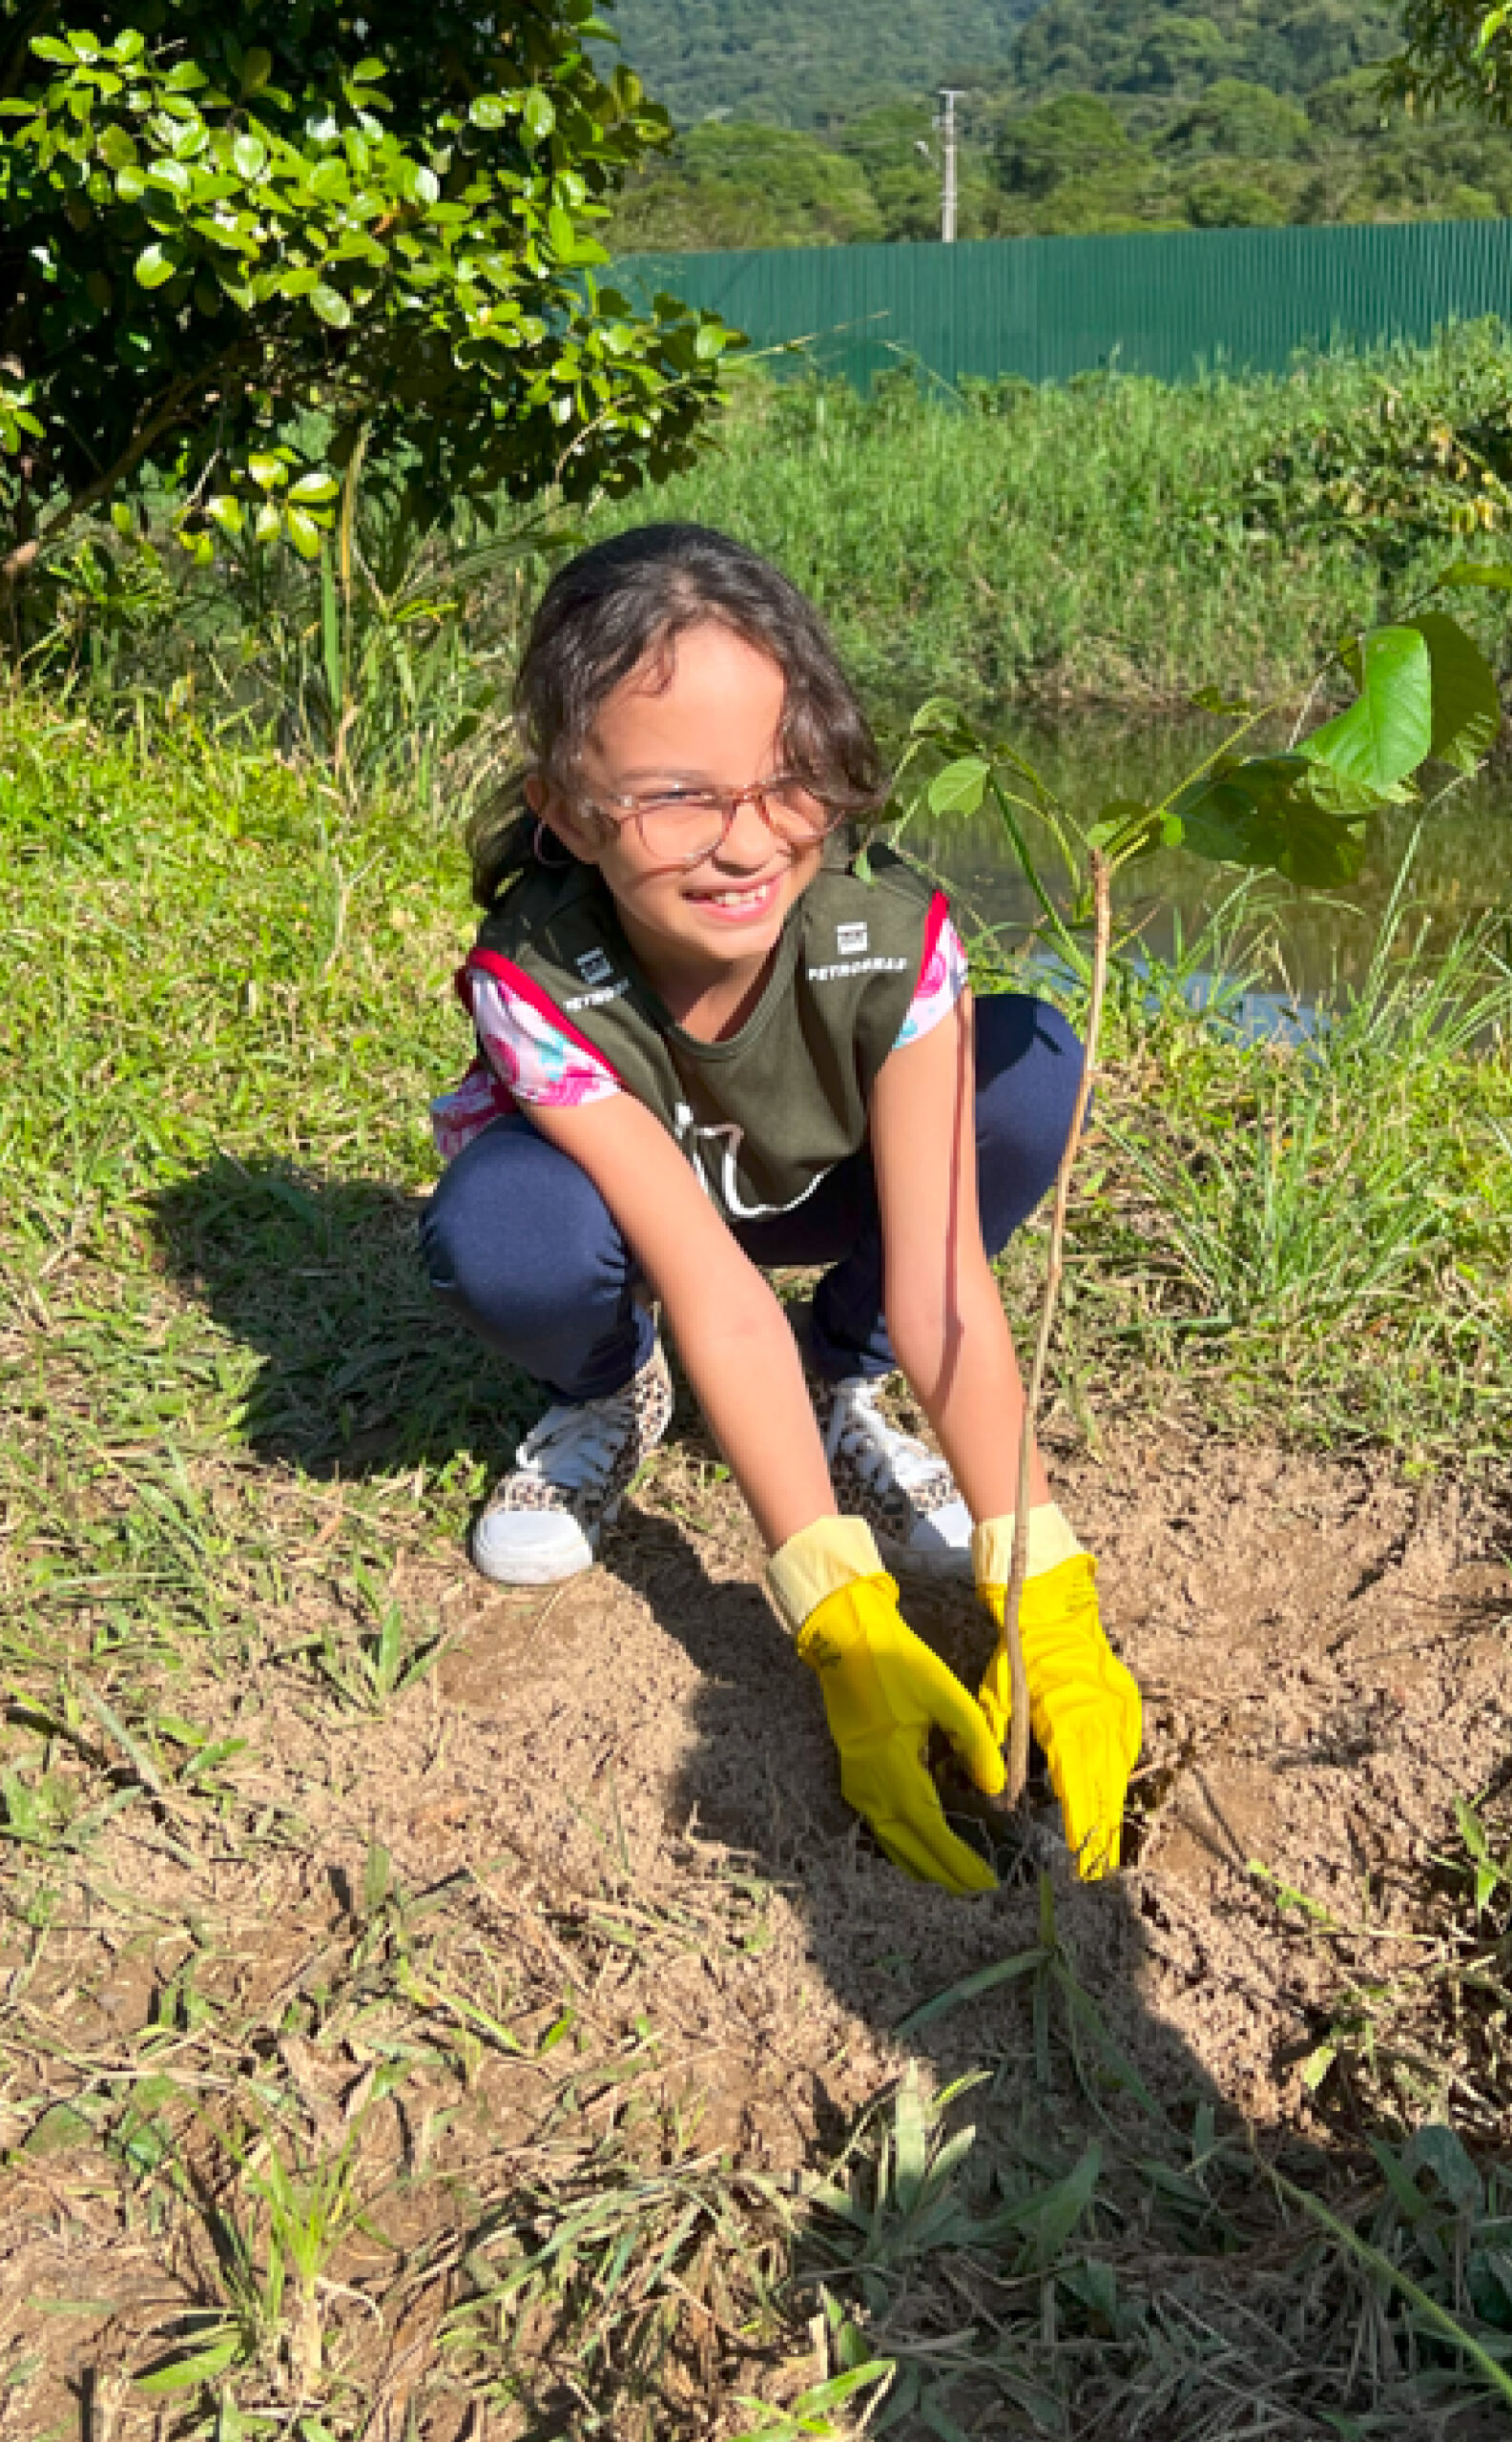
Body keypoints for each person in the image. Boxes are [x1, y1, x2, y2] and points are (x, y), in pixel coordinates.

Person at [419, 524, 1141, 1891]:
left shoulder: (887, 938)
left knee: (1024, 1076)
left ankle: (838, 1382)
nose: (748, 843)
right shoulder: (539, 980)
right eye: (679, 798)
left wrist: (1046, 1588)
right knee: (508, 1234)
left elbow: (945, 1286)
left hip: (822, 1199)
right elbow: (714, 1291)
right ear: (567, 812)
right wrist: (841, 1619)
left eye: (788, 780)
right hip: (646, 1241)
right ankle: (608, 1386)